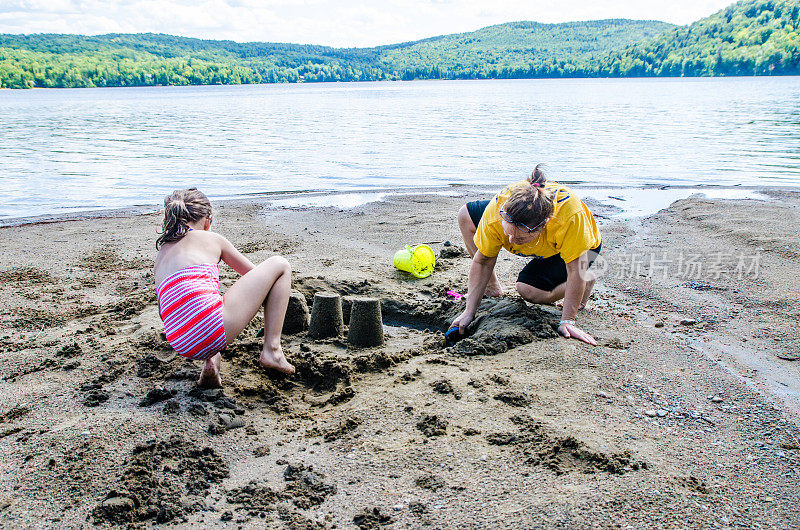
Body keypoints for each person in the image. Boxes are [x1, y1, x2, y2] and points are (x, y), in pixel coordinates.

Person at [153, 188, 294, 388]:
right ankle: (273, 350)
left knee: (201, 300)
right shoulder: (212, 239)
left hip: (179, 341)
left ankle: (211, 360)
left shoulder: (160, 257)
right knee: (280, 266)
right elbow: (257, 276)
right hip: (211, 328)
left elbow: (164, 310)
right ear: (207, 221)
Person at [451, 165, 602, 345]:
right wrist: (469, 312)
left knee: (528, 290)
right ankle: (491, 288)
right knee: (465, 214)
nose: (511, 241)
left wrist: (567, 320)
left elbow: (576, 269)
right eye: (508, 234)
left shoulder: (569, 218)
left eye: (520, 238)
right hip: (526, 225)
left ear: (545, 224)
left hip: (579, 250)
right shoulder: (495, 213)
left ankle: (588, 281)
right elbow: (483, 261)